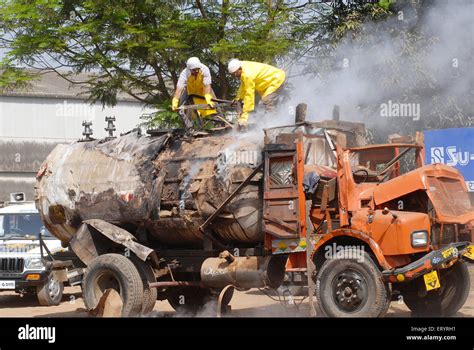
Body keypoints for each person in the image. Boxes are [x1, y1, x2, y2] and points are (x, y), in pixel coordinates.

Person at [227, 59, 286, 128]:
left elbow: (249, 95)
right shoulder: (243, 67)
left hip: (276, 79)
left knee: (266, 100)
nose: (235, 75)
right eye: (233, 74)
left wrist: (244, 117)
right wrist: (238, 98)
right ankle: (269, 123)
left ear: (239, 68)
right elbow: (243, 85)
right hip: (269, 82)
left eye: (236, 73)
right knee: (263, 105)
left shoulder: (248, 75)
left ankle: (273, 125)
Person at [171, 57, 216, 128]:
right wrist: (175, 101)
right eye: (194, 70)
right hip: (190, 91)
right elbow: (179, 89)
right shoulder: (184, 73)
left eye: (198, 70)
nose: (196, 72)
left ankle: (221, 124)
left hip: (204, 89)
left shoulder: (205, 69)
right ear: (189, 69)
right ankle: (189, 128)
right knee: (181, 107)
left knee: (214, 105)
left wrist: (208, 98)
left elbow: (207, 85)